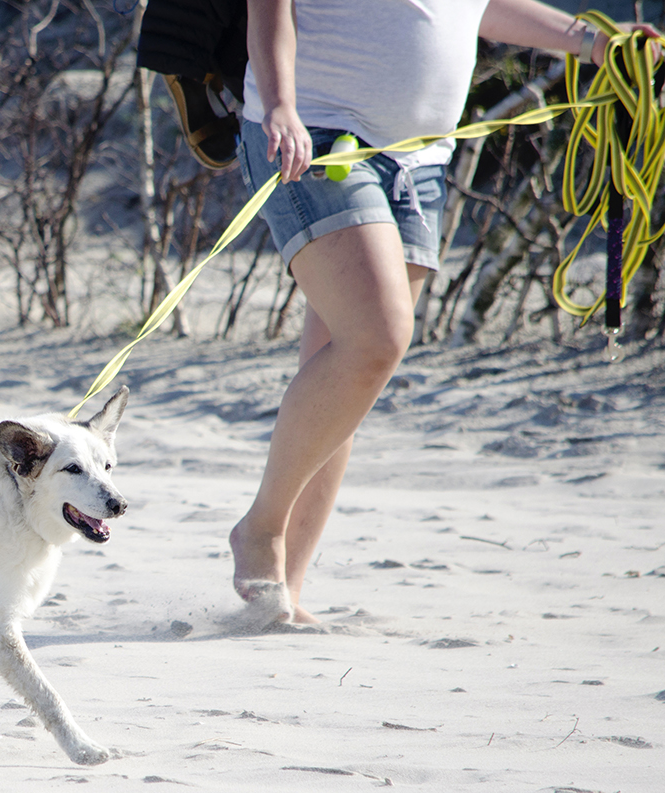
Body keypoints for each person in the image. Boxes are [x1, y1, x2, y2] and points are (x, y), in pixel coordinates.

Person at [229, 0, 659, 627]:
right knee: (376, 339)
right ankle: (261, 528)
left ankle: (280, 600)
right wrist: (280, 103)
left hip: (417, 158)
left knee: (349, 372)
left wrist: (595, 44)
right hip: (315, 134)